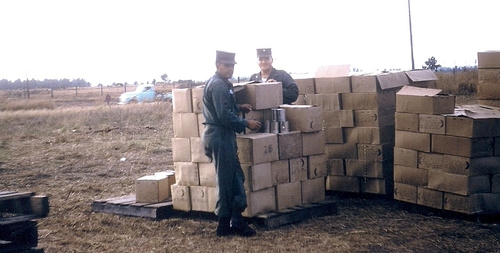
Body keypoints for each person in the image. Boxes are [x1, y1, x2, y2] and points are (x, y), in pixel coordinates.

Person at [202, 50, 262, 237]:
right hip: (219, 135)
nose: (230, 69)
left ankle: (236, 221)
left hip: (223, 135)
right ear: (217, 65)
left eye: (232, 66)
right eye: (226, 65)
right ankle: (222, 225)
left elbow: (224, 107)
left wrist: (239, 107)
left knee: (236, 177)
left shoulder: (223, 84)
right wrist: (246, 123)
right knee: (227, 181)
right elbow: (223, 115)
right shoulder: (219, 85)